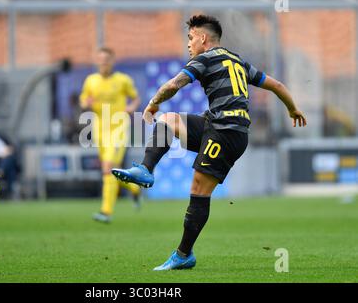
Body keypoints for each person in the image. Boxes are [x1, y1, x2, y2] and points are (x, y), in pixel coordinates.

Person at [112, 14, 307, 270]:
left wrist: (152, 103)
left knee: (198, 189)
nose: (189, 44)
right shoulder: (238, 61)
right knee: (169, 121)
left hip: (227, 132)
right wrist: (292, 109)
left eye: (191, 38)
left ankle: (183, 254)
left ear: (203, 38)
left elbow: (174, 84)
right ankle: (146, 170)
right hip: (216, 124)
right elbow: (277, 85)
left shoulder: (205, 58)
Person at [79, 47, 142, 223]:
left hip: (119, 128)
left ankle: (106, 212)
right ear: (97, 61)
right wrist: (86, 104)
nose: (104, 62)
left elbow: (135, 97)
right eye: (101, 59)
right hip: (100, 130)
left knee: (108, 167)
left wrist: (131, 107)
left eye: (107, 59)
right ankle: (134, 188)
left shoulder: (122, 80)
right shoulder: (91, 81)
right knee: (109, 172)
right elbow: (84, 101)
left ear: (112, 61)